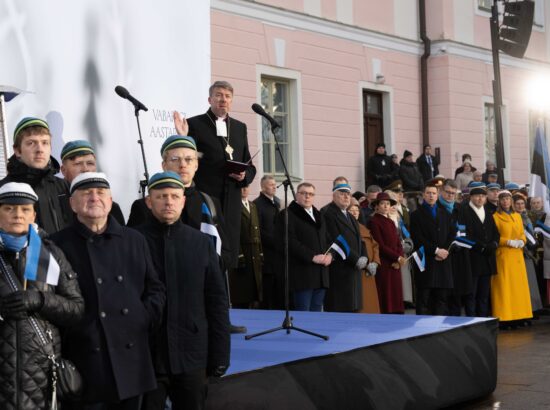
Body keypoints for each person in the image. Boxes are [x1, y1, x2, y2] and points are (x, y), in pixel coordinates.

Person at [51, 172, 166, 409]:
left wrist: (142, 318)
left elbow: (155, 288)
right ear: (72, 203)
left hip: (132, 357)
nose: (94, 197)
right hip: (85, 360)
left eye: (101, 192)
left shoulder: (134, 239)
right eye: (86, 193)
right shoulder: (56, 244)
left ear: (110, 200)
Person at [135, 172, 230, 410]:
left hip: (192, 356)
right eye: (161, 196)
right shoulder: (133, 241)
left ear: (183, 201)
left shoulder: (200, 243)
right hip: (147, 357)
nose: (169, 202)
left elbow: (217, 301)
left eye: (175, 196)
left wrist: (220, 354)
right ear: (149, 201)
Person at [0, 182, 84, 410]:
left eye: (25, 209)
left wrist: (41, 300)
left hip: (42, 378)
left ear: (34, 214)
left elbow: (76, 309)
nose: (17, 214)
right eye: (9, 208)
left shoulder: (51, 253)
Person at [174, 81, 257, 269]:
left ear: (232, 101)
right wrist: (183, 137)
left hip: (231, 204)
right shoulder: (194, 124)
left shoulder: (239, 127)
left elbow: (250, 166)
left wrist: (244, 176)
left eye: (227, 96)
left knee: (227, 257)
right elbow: (185, 159)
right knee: (204, 254)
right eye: (219, 95)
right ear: (210, 99)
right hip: (206, 201)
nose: (223, 100)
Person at [0, 117, 71, 233]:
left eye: (45, 143)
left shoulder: (65, 187)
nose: (40, 149)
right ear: (17, 150)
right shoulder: (2, 190)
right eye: (31, 143)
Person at [275, 182, 331, 311]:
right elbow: (288, 241)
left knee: (316, 315)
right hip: (302, 275)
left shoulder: (319, 215)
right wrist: (312, 257)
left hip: (321, 275)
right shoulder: (287, 215)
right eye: (304, 193)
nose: (307, 197)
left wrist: (330, 255)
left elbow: (327, 239)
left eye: (311, 194)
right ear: (296, 195)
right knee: (303, 314)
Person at [323, 180, 369, 313]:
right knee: (341, 308)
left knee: (353, 308)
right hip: (340, 269)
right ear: (334, 195)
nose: (346, 196)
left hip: (354, 270)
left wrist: (365, 257)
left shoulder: (350, 216)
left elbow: (360, 240)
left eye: (348, 194)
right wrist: (355, 259)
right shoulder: (328, 213)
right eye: (342, 193)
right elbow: (336, 241)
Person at [410, 184, 456, 315]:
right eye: (428, 193)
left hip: (443, 260)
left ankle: (439, 329)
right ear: (423, 195)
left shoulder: (446, 214)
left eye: (434, 193)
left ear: (438, 195)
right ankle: (422, 330)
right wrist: (436, 251)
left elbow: (452, 234)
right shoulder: (416, 215)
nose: (431, 196)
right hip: (427, 260)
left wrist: (445, 250)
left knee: (442, 298)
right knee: (424, 297)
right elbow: (417, 238)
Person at [492, 190, 533, 329]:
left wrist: (522, 241)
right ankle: (505, 318)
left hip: (517, 256)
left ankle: (519, 316)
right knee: (505, 288)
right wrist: (508, 242)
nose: (505, 202)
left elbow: (522, 232)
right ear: (499, 201)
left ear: (511, 201)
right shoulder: (495, 217)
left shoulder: (517, 216)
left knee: (518, 288)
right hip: (504, 256)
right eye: (503, 199)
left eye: (508, 199)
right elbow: (494, 236)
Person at [60, 139, 125, 225]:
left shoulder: (110, 207)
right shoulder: (54, 202)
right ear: (63, 170)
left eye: (90, 163)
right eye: (78, 163)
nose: (85, 169)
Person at [461, 182, 499, 317]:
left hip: (488, 259)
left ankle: (482, 319)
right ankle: (471, 320)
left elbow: (495, 232)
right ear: (471, 197)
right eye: (477, 196)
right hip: (473, 258)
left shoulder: (488, 212)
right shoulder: (464, 212)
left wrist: (494, 244)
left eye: (483, 196)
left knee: (484, 293)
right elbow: (464, 235)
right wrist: (481, 247)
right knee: (472, 293)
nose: (480, 199)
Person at [367, 192, 405, 313]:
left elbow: (398, 242)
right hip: (384, 263)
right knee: (386, 292)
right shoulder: (374, 221)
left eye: (388, 204)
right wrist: (397, 257)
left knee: (396, 293)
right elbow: (380, 245)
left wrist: (400, 257)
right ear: (377, 206)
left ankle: (396, 315)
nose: (385, 206)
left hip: (395, 263)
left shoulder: (391, 222)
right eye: (382, 203)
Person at [253, 175, 282, 309]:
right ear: (263, 187)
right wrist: (275, 241)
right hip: (266, 252)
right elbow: (258, 229)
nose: (274, 186)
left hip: (277, 254)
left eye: (275, 184)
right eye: (271, 184)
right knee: (267, 290)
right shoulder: (257, 204)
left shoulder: (276, 203)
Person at [231, 185, 263, 308]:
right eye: (241, 187)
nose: (244, 190)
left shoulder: (253, 205)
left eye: (246, 187)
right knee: (242, 288)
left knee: (255, 288)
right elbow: (234, 232)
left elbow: (257, 230)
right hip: (243, 249)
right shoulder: (233, 206)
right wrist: (238, 254)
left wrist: (260, 252)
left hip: (254, 250)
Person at [348, 199, 381, 313]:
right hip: (360, 271)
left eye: (357, 210)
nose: (355, 212)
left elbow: (375, 245)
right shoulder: (348, 227)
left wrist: (375, 263)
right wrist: (365, 264)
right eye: (351, 210)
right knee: (363, 305)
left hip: (370, 271)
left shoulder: (363, 227)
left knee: (371, 305)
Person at [512, 193, 543, 314]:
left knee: (532, 282)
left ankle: (534, 308)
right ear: (513, 205)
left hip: (530, 252)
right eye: (517, 204)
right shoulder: (514, 217)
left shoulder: (527, 216)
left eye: (522, 204)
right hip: (521, 251)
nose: (520, 206)